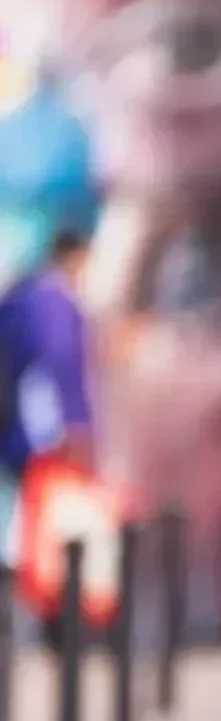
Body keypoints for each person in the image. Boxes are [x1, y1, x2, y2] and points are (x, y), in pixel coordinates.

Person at [0, 226, 94, 549]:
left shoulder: (23, 294)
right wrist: (77, 422)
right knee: (43, 510)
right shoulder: (56, 299)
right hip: (42, 428)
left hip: (16, 424)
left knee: (23, 505)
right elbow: (62, 357)